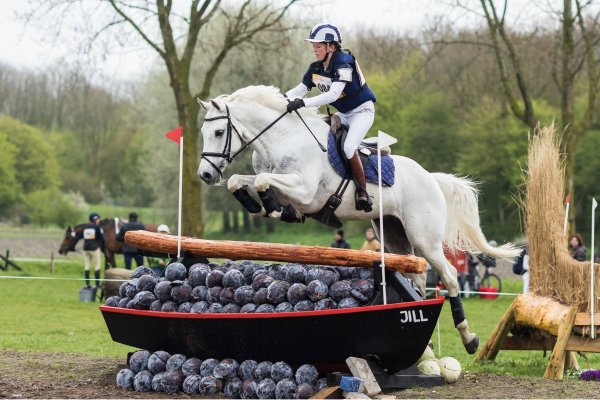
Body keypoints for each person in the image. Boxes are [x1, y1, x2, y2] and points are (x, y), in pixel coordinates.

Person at [285, 22, 377, 212]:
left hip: (361, 112)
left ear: (331, 46)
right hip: (343, 114)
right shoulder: (315, 69)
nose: (314, 50)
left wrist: (304, 103)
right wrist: (279, 100)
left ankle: (362, 192)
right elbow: (299, 90)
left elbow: (334, 94)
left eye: (318, 46)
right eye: (313, 46)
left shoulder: (345, 63)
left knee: (349, 146)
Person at [74, 212, 104, 288]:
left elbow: (79, 236)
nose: (99, 220)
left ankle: (87, 285)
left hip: (85, 249)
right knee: (97, 266)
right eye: (98, 219)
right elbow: (101, 237)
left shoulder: (85, 227)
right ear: (95, 219)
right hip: (94, 249)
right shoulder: (97, 227)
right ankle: (97, 285)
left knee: (87, 266)